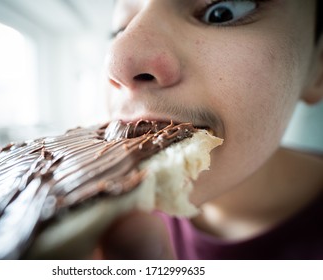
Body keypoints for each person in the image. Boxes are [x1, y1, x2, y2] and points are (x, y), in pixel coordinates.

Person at [96, 0, 323, 259]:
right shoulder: (97, 232)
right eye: (119, 30)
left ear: (317, 66)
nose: (117, 64)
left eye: (220, 13)